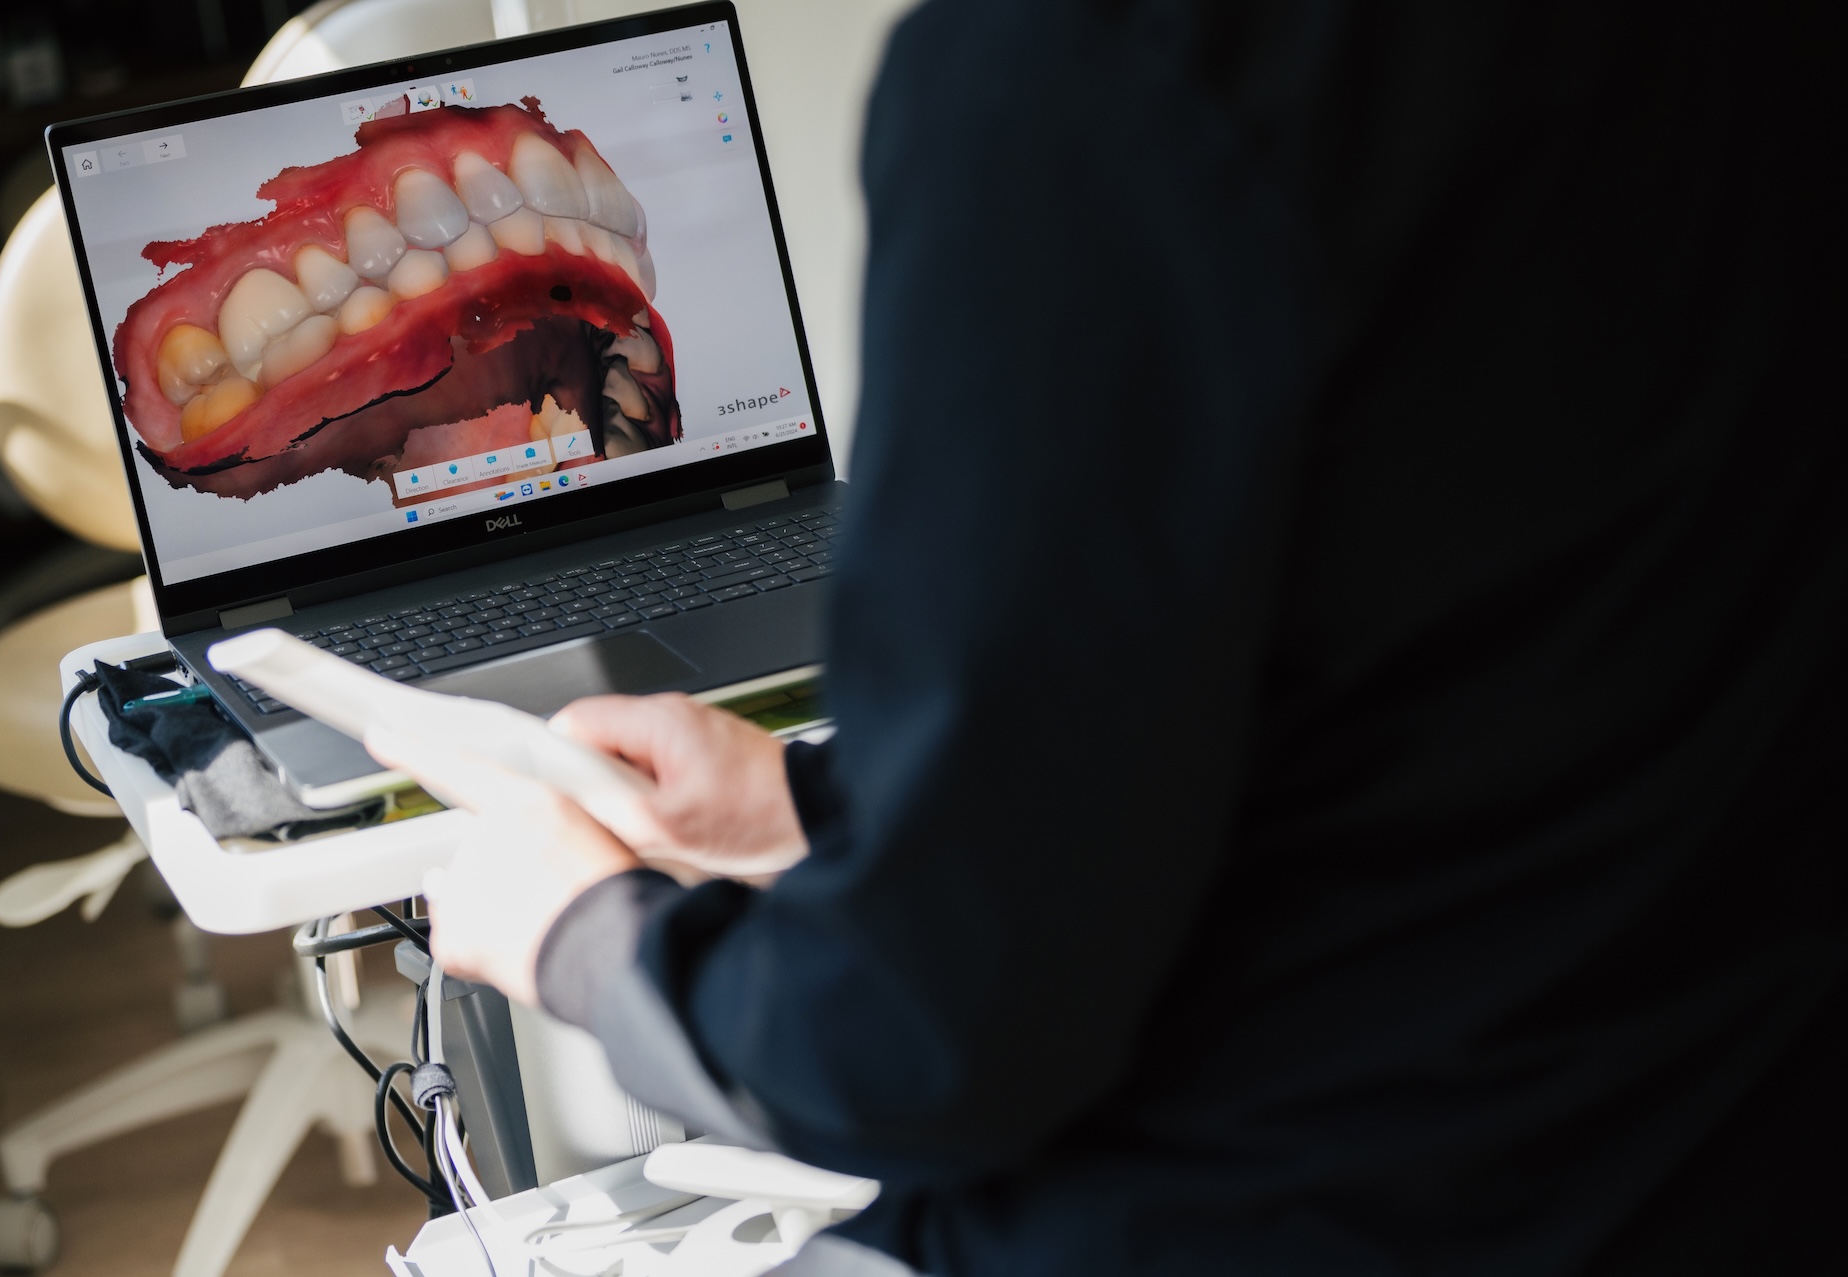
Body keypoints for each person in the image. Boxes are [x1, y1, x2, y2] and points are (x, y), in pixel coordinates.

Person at [370, 0, 1848, 1272]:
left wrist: (592, 943)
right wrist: (814, 807)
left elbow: (926, 1041)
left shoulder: (1080, 84)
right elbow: (1456, 653)